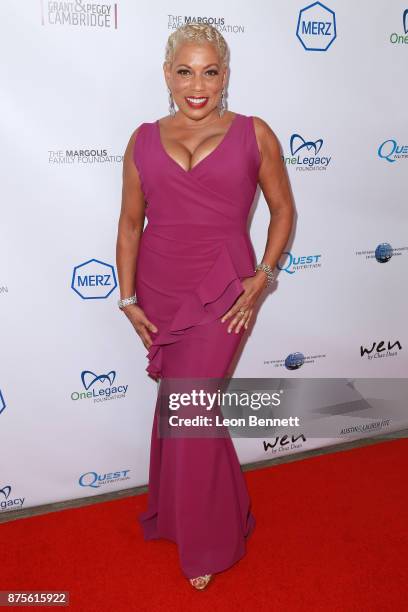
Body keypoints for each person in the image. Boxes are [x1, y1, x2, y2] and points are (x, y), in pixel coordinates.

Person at [115, 23, 294, 590]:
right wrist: (127, 297)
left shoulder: (254, 134)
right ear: (168, 75)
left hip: (225, 290)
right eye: (186, 71)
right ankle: (202, 512)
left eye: (210, 72)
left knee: (192, 407)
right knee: (185, 408)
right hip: (161, 286)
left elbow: (282, 211)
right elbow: (128, 223)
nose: (198, 85)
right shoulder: (142, 138)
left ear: (224, 76)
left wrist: (261, 278)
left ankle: (210, 541)